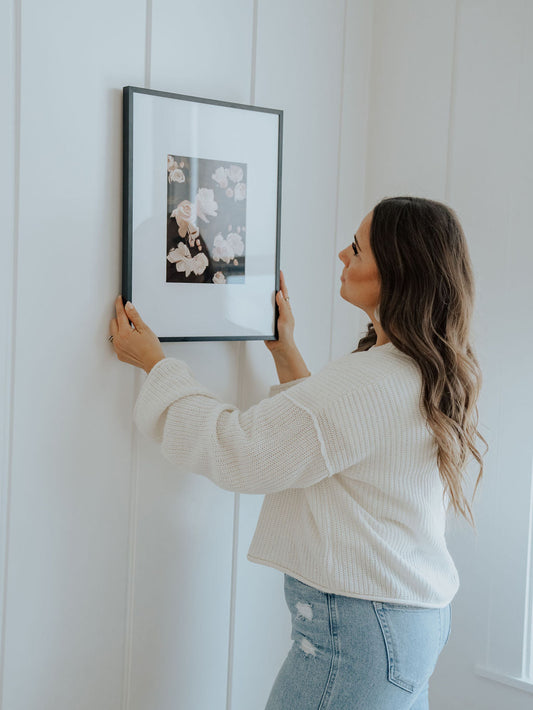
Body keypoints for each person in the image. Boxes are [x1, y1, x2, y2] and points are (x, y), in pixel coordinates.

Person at [109, 195, 488, 709]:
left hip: (361, 635)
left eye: (357, 248)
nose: (341, 255)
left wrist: (157, 365)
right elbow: (334, 443)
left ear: (397, 271)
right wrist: (286, 351)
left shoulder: (369, 381)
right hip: (409, 627)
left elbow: (240, 450)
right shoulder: (429, 366)